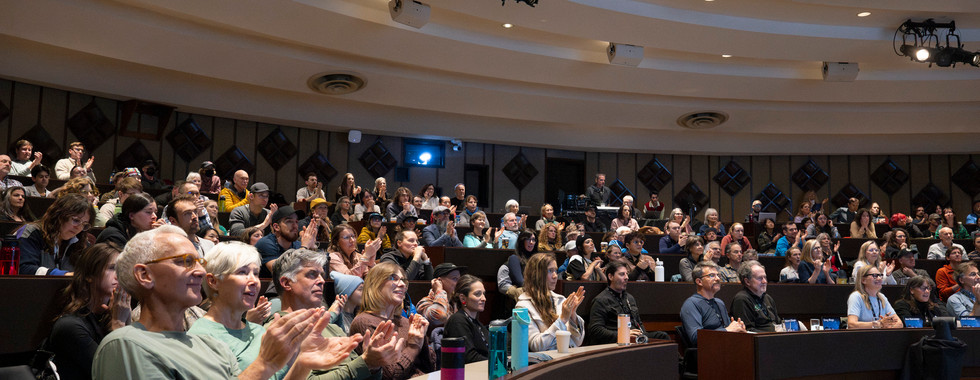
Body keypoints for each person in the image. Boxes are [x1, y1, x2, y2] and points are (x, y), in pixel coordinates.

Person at [92, 225, 359, 379]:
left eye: (197, 261)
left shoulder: (208, 346)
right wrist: (264, 364)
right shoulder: (126, 344)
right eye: (185, 262)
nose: (198, 271)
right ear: (145, 275)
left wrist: (302, 364)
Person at [271, 248, 400, 380]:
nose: (321, 281)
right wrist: (365, 363)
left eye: (321, 275)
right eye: (312, 274)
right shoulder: (277, 331)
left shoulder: (333, 327)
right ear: (287, 283)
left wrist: (374, 366)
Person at [46, 243, 130, 380]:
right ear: (89, 275)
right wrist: (118, 323)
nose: (119, 276)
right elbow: (111, 374)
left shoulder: (106, 316)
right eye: (112, 268)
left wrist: (127, 317)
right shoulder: (70, 326)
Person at [187, 242, 272, 373]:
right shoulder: (201, 337)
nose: (254, 281)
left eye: (256, 273)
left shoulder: (259, 331)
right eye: (242, 272)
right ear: (213, 281)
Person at [348, 262, 436, 380]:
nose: (402, 285)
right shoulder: (364, 322)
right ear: (376, 284)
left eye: (403, 281)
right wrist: (414, 346)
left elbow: (430, 368)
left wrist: (421, 338)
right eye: (393, 278)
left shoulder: (404, 322)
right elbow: (390, 376)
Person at [515, 253, 586, 352]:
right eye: (550, 271)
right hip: (543, 364)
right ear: (536, 274)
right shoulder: (522, 306)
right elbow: (535, 346)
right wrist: (562, 320)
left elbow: (577, 342)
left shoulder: (561, 300)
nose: (555, 276)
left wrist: (572, 315)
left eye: (556, 271)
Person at [586, 260, 669, 345]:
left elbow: (638, 322)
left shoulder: (629, 298)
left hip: (635, 339)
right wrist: (623, 334)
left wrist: (643, 337)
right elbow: (595, 329)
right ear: (610, 277)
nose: (627, 277)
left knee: (661, 336)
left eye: (626, 274)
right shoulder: (601, 300)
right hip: (616, 342)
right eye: (622, 274)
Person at [18, 193, 93, 275]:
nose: (79, 228)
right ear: (59, 215)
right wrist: (63, 275)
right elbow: (23, 269)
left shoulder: (82, 243)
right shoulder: (31, 232)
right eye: (76, 220)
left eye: (84, 224)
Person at [679, 261, 746, 345]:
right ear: (699, 281)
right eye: (711, 275)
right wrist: (727, 330)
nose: (717, 279)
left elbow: (729, 328)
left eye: (718, 275)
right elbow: (696, 337)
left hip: (726, 347)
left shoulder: (719, 303)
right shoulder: (691, 304)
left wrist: (738, 329)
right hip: (707, 352)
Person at [255, 205, 317, 278]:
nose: (295, 226)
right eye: (289, 221)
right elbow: (280, 271)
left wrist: (312, 248)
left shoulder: (298, 245)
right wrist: (304, 247)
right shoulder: (265, 243)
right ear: (276, 227)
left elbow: (313, 271)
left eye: (296, 222)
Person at [443, 274, 489, 363]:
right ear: (463, 298)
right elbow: (469, 357)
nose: (484, 299)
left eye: (484, 294)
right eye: (478, 294)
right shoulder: (457, 321)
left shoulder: (476, 322)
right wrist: (495, 363)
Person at [728, 260, 782, 332]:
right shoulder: (742, 299)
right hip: (760, 340)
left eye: (765, 277)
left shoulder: (767, 298)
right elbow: (747, 330)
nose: (764, 281)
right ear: (747, 281)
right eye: (760, 278)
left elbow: (778, 322)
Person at [846, 265, 903, 329]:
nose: (879, 278)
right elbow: (852, 324)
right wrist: (879, 324)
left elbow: (899, 323)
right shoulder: (856, 297)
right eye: (874, 276)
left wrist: (886, 326)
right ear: (863, 280)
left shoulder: (882, 297)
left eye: (880, 275)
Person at [416, 263, 466, 329]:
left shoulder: (456, 303)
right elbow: (439, 317)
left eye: (459, 279)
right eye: (454, 279)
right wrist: (439, 290)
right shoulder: (424, 303)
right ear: (439, 281)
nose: (459, 283)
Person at [498, 231, 537, 300]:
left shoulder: (536, 259)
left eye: (533, 239)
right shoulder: (514, 258)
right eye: (528, 239)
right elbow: (520, 281)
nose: (531, 242)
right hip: (520, 295)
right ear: (522, 241)